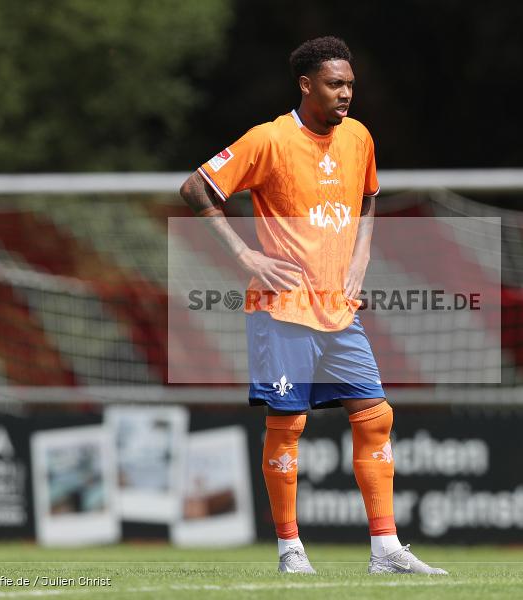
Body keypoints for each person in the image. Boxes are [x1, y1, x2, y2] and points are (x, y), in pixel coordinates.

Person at [179, 37, 446, 575]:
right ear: (307, 85)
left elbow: (369, 196)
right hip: (281, 310)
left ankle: (385, 550)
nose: (346, 93)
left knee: (375, 416)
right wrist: (244, 254)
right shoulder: (269, 139)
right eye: (335, 84)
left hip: (339, 310)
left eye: (350, 83)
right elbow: (195, 187)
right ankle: (289, 549)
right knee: (289, 424)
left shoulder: (359, 138)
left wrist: (361, 259)